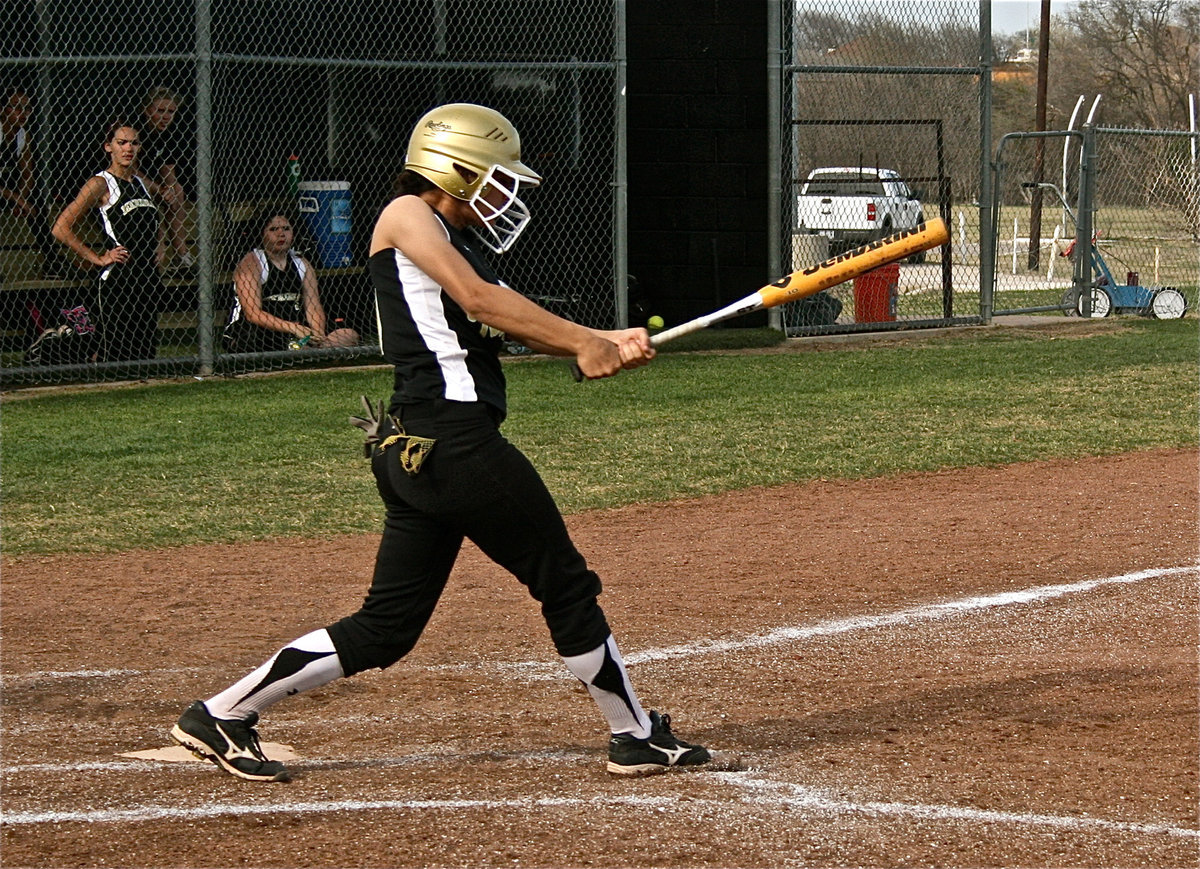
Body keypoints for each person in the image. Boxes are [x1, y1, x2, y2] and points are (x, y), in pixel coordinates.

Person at [170, 103, 711, 782]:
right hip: (451, 442)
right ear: (450, 170)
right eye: (493, 176)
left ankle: (221, 713)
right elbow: (482, 302)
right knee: (565, 581)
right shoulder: (406, 215)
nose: (505, 193)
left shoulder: (461, 245)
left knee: (386, 628)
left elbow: (513, 318)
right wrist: (586, 342)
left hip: (423, 448)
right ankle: (632, 734)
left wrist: (603, 342)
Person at [51, 121, 164, 361]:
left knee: (144, 351)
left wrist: (161, 245)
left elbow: (158, 216)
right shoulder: (101, 183)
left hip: (147, 276)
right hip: (119, 278)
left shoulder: (141, 184)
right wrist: (98, 258)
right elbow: (61, 228)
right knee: (114, 350)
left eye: (134, 143)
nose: (128, 149)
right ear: (108, 147)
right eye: (121, 143)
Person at [223, 210, 360, 352]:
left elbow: (312, 306)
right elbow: (253, 314)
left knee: (348, 335)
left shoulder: (301, 263)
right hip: (260, 331)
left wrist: (317, 332)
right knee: (268, 339)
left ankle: (314, 351)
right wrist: (293, 328)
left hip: (297, 328)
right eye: (273, 229)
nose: (281, 234)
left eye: (286, 229)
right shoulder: (252, 262)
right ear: (262, 233)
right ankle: (304, 352)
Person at [0, 86, 67, 278]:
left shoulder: (22, 136)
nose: (23, 113)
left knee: (37, 200)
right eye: (16, 107)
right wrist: (18, 200)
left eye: (27, 108)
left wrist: (22, 197)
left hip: (7, 191)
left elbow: (27, 172)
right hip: (5, 191)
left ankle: (52, 259)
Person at [136, 86, 193, 272]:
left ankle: (182, 256)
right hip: (125, 183)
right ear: (147, 110)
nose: (166, 116)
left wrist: (170, 188)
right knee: (152, 196)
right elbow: (130, 172)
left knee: (177, 191)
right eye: (160, 111)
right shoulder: (135, 129)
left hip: (150, 183)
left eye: (171, 111)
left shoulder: (168, 133)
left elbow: (168, 171)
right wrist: (160, 190)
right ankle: (157, 253)